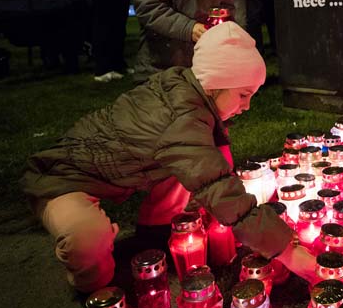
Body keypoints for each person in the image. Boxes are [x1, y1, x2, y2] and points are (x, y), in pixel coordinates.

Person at [20, 21, 315, 293]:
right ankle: (89, 275)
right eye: (243, 94)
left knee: (191, 165)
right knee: (87, 243)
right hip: (62, 179)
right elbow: (220, 190)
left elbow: (213, 169)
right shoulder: (180, 118)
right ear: (216, 83)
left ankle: (154, 231)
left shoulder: (185, 90)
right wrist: (287, 252)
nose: (247, 106)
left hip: (114, 173)